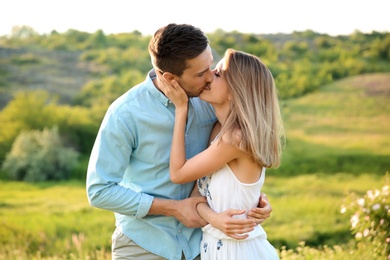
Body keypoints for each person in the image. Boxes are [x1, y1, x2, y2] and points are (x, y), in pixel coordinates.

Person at [86, 23, 272, 260]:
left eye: (211, 66)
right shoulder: (125, 114)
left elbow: (237, 153)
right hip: (144, 245)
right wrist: (173, 209)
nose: (209, 77)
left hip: (203, 244)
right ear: (171, 78)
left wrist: (253, 198)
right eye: (200, 74)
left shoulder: (211, 100)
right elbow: (99, 190)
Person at [163, 48, 284, 259]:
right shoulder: (219, 131)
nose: (209, 76)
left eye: (217, 74)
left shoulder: (234, 139)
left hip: (240, 251)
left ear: (234, 90)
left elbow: (178, 174)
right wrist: (214, 218)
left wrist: (181, 109)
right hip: (216, 249)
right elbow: (198, 195)